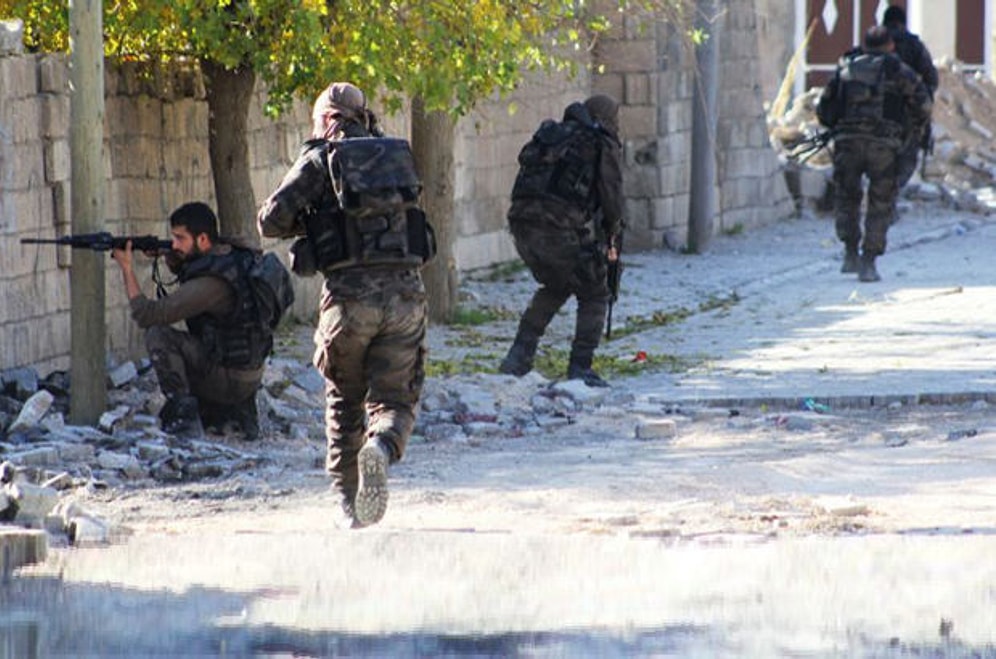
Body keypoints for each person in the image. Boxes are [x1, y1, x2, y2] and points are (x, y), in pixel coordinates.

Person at [257, 82, 431, 529]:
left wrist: (311, 214)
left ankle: (348, 504)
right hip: (407, 296)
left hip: (349, 303)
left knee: (344, 400)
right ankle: (382, 447)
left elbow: (270, 220)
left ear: (329, 119)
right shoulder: (396, 157)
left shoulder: (320, 157)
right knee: (395, 397)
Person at [111, 202, 266, 440]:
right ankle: (235, 413)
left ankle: (184, 418)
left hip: (229, 380)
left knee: (158, 334)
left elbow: (147, 314)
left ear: (203, 239)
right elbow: (191, 269)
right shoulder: (232, 257)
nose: (174, 245)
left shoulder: (210, 285)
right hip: (249, 376)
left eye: (180, 239)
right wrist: (167, 256)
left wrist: (127, 269)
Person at [499, 95, 624, 387]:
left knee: (558, 284)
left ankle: (517, 358)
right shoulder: (598, 142)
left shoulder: (553, 137)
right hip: (557, 228)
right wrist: (613, 232)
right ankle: (581, 366)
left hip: (521, 224)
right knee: (594, 290)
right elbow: (612, 197)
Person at [816, 26, 932, 282]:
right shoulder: (897, 70)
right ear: (890, 46)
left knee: (847, 197)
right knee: (881, 202)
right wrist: (912, 130)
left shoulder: (846, 68)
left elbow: (824, 110)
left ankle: (849, 253)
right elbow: (923, 104)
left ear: (865, 45)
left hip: (847, 144)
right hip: (883, 146)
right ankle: (869, 261)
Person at [882, 5, 938, 188]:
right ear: (903, 23)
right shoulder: (913, 44)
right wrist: (922, 103)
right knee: (906, 155)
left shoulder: (873, 43)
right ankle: (891, 193)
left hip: (874, 110)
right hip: (906, 111)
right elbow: (931, 79)